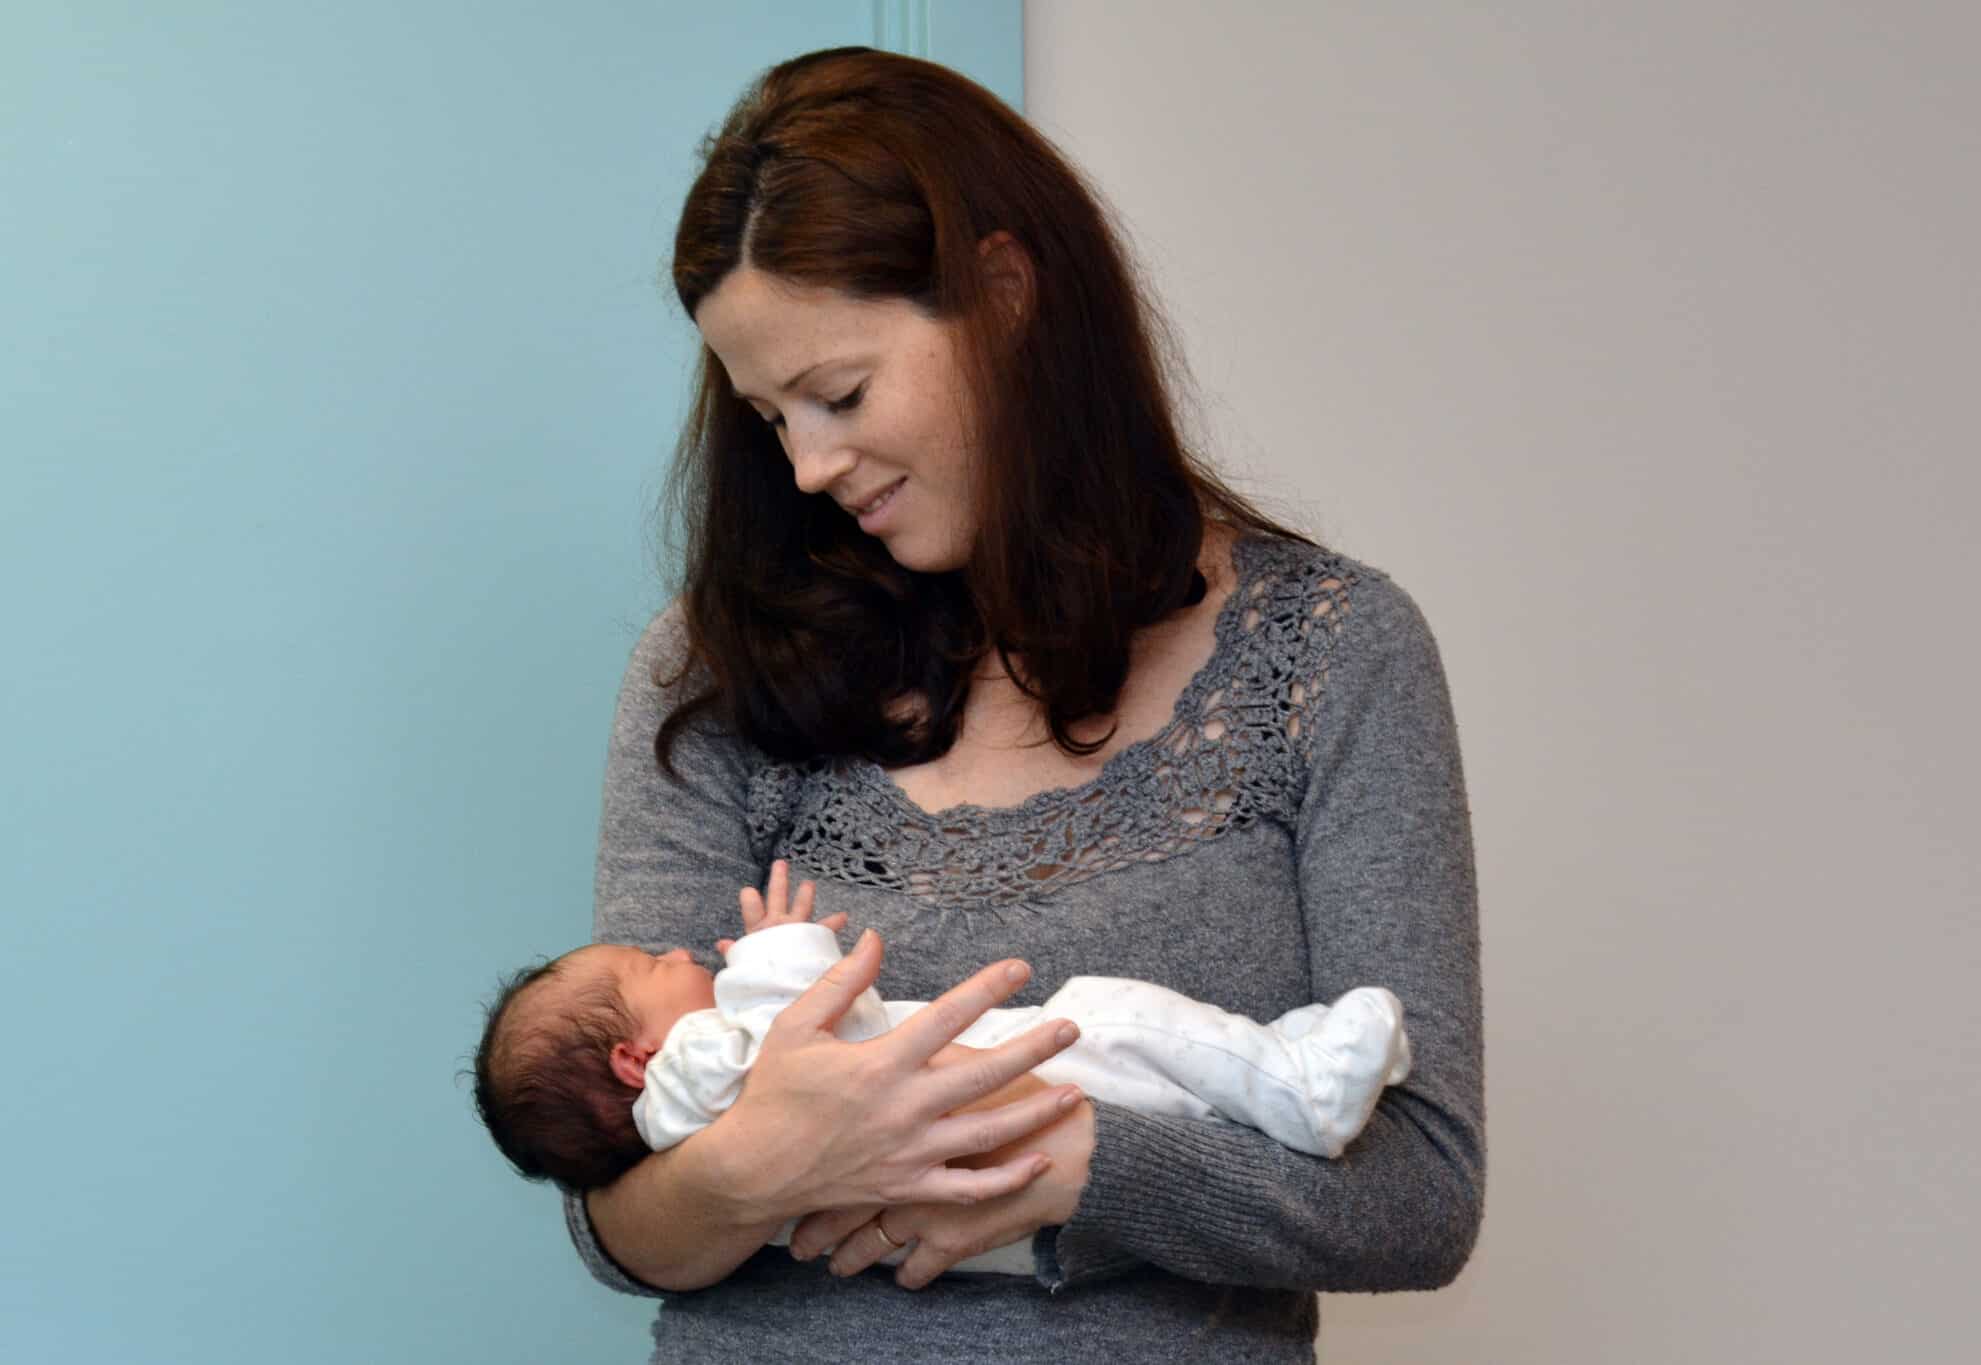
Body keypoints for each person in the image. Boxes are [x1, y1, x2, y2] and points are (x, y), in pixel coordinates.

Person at [562, 44, 1482, 1364]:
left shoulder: (1333, 657)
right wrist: (771, 1161)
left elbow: (1425, 1197)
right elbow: (618, 1212)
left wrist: (1066, 1165)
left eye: (840, 393)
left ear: (1004, 292)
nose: (810, 467)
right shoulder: (710, 674)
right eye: (770, 419)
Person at [476, 862, 1415, 1255]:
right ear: (637, 1061)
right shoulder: (690, 1079)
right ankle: (1301, 1088)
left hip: (970, 1214)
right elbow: (792, 1031)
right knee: (1113, 1017)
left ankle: (1278, 1073)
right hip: (1007, 1094)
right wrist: (780, 947)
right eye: (650, 966)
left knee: (1158, 1070)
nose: (677, 953)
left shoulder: (681, 1119)